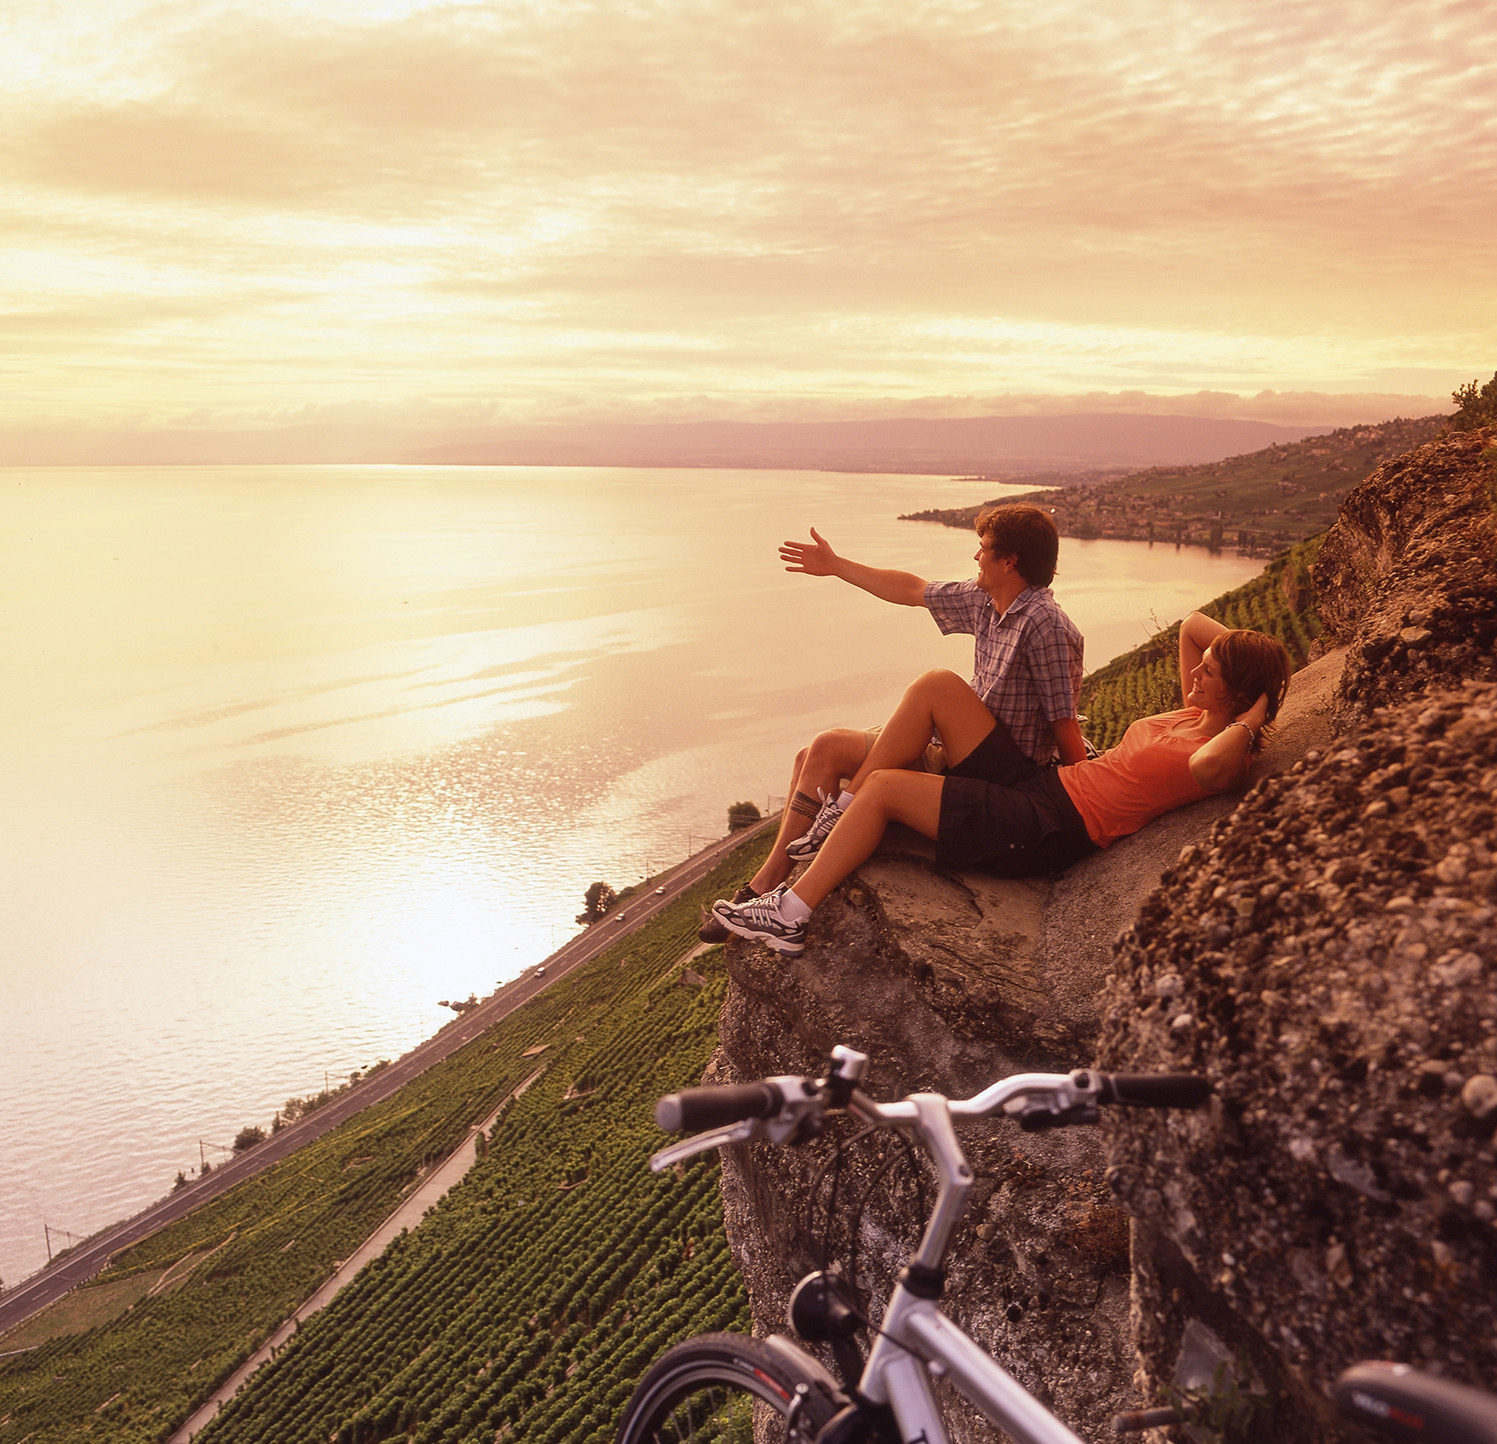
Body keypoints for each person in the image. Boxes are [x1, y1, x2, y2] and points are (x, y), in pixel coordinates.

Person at [709, 610, 1292, 954]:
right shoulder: (1194, 713)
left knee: (887, 787)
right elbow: (1193, 625)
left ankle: (791, 913)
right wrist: (1263, 662)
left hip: (1048, 828)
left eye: (1210, 671)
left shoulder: (1219, 751)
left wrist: (1256, 708)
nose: (1195, 670)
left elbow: (1213, 769)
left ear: (1239, 697)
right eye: (1205, 662)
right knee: (938, 684)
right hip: (1046, 785)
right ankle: (839, 811)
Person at [701, 503, 1086, 941]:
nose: (975, 557)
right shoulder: (986, 599)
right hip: (960, 750)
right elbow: (912, 589)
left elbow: (1064, 723)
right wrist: (835, 566)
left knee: (937, 684)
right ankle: (767, 884)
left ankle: (842, 810)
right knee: (820, 750)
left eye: (982, 549)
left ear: (1009, 560)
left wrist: (1080, 807)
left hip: (1008, 773)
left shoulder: (1047, 624)